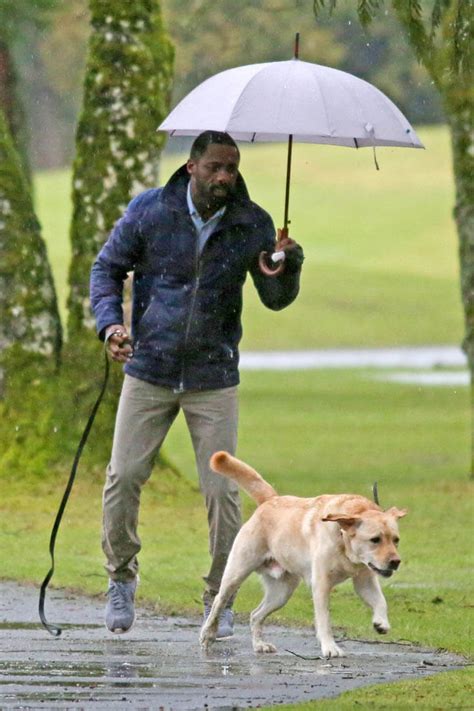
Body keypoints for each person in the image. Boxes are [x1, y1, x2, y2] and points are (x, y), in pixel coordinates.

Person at [90, 130, 304, 637]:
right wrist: (110, 326)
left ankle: (219, 595)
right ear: (192, 167)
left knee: (223, 495)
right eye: (214, 167)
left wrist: (287, 264)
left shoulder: (253, 223)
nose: (224, 177)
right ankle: (120, 577)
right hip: (149, 368)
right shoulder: (150, 211)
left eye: (231, 168)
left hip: (213, 376)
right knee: (123, 478)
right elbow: (107, 269)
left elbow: (275, 299)